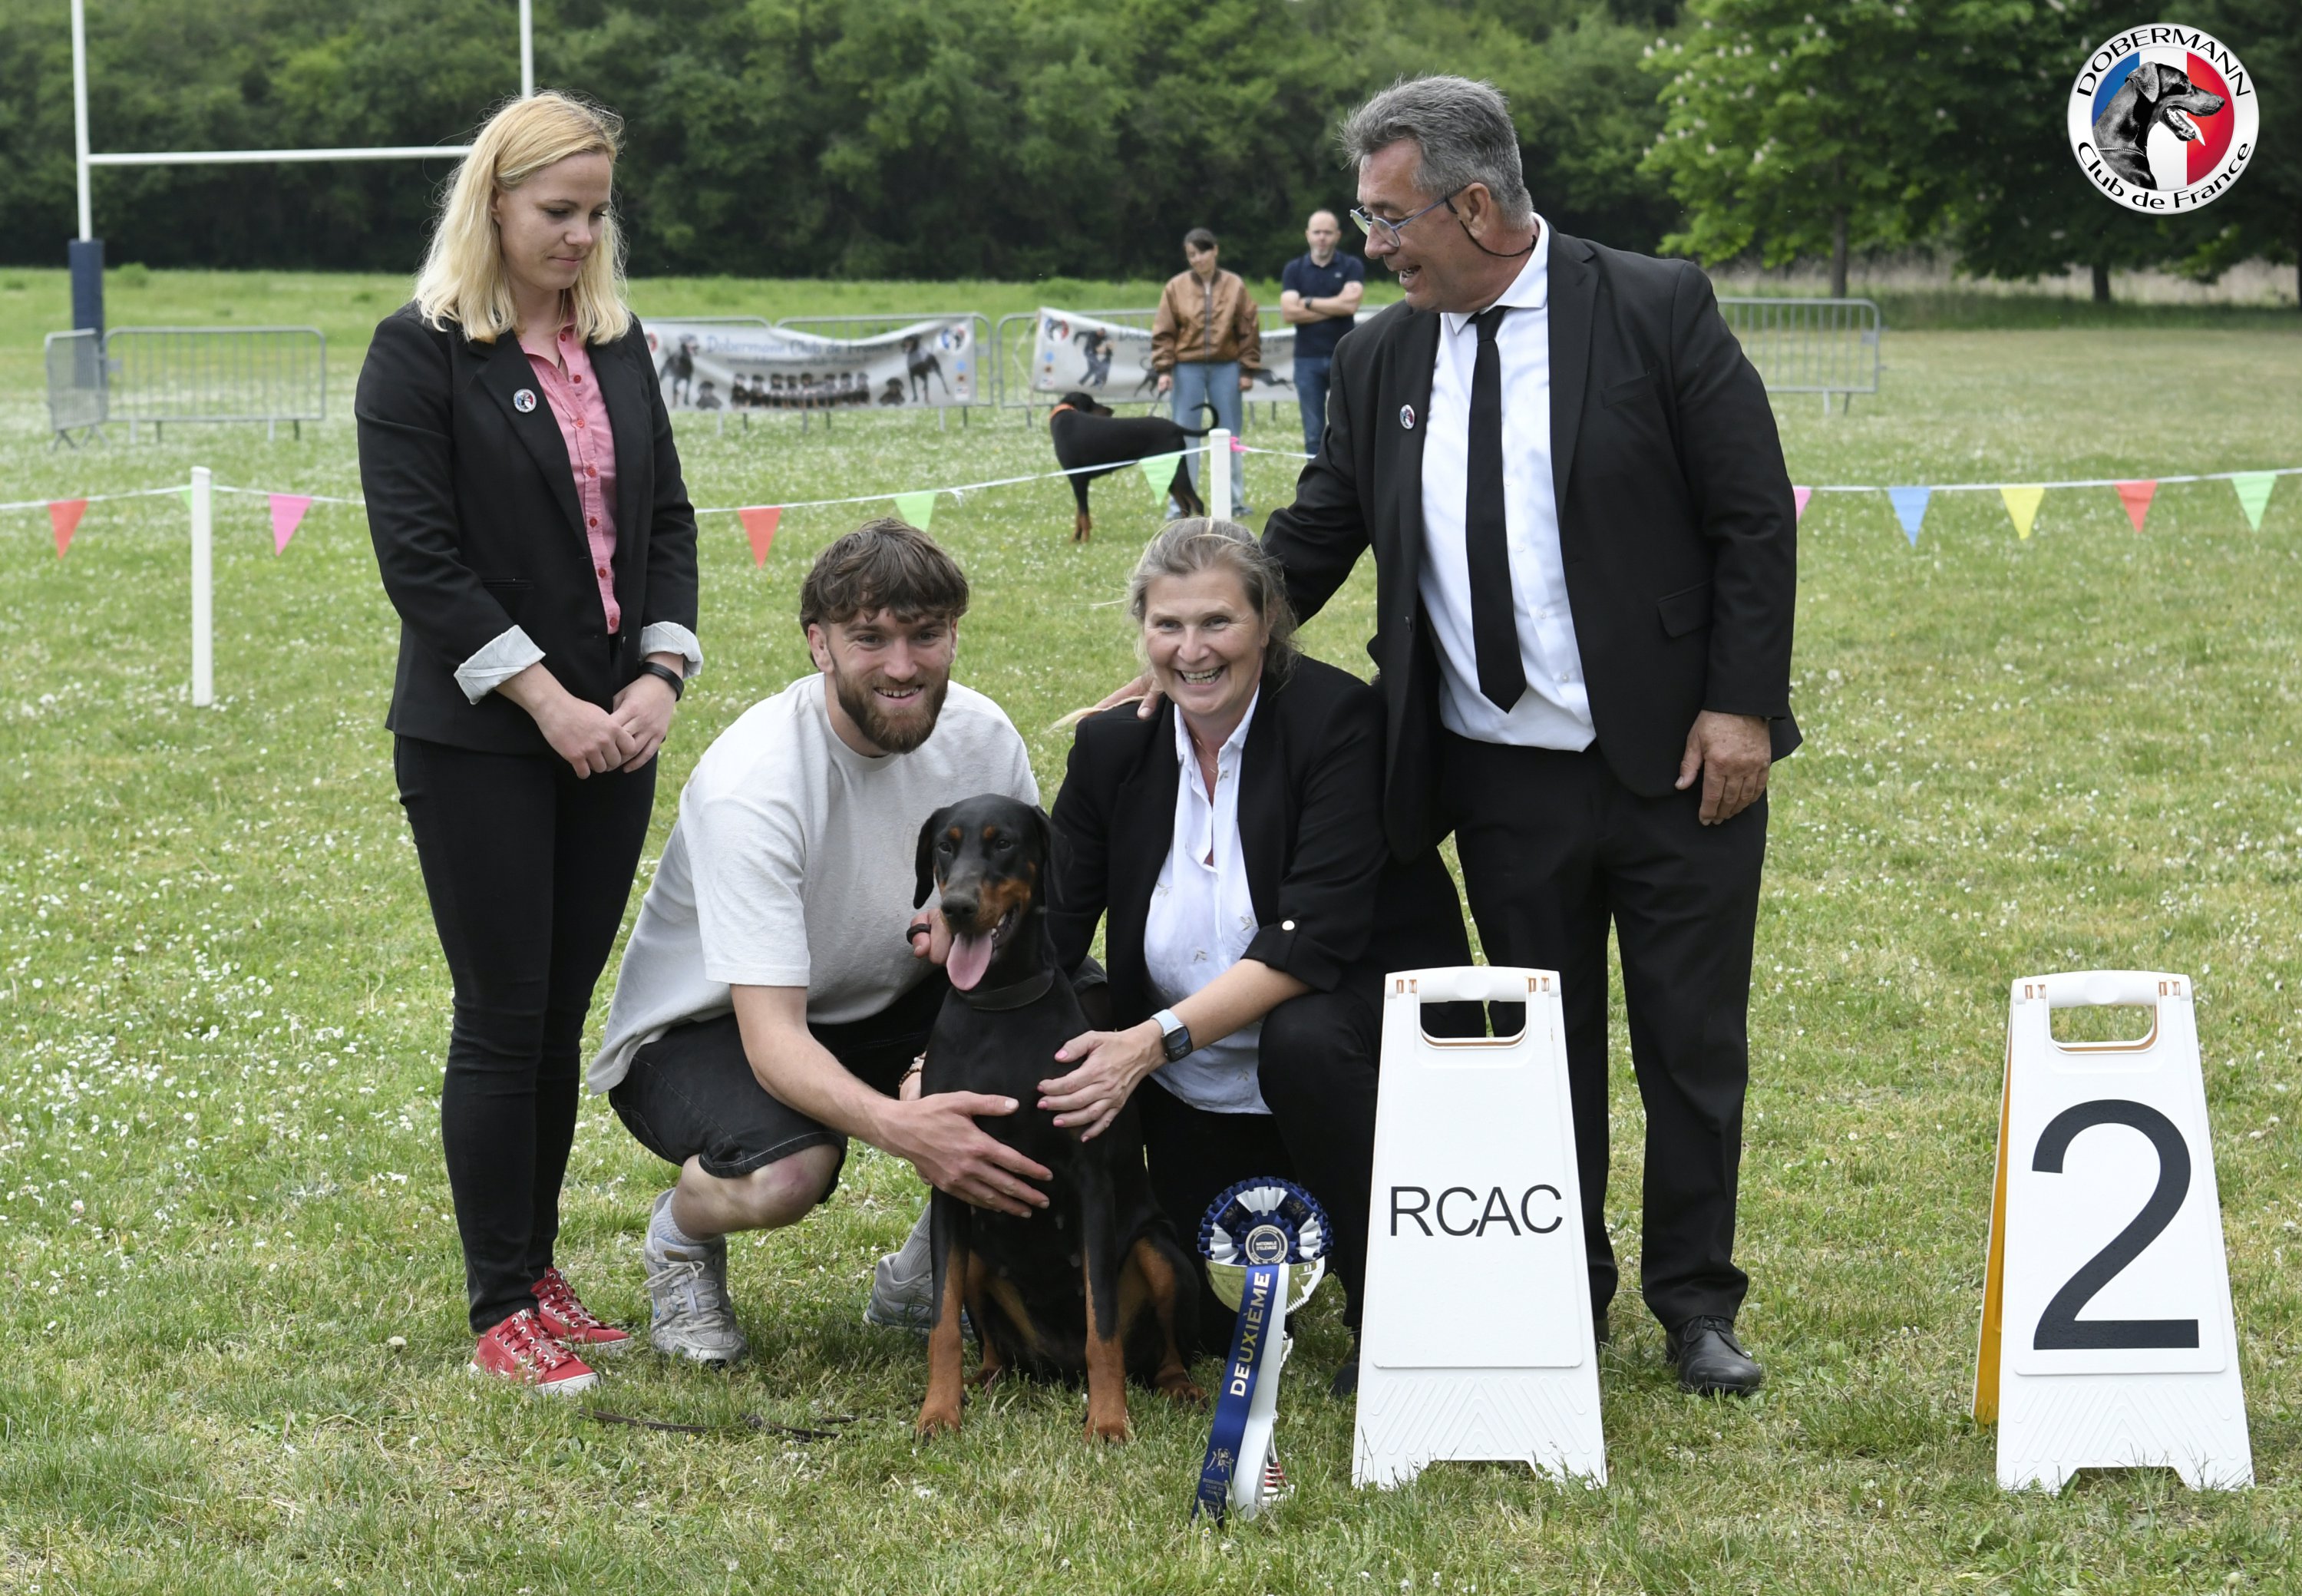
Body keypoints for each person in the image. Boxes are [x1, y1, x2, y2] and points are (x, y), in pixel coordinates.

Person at [1256, 75, 1802, 1396]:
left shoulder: (1655, 304)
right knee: (1541, 1051)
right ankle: (1567, 1283)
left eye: (1390, 219)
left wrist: (1739, 705)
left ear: (1475, 205)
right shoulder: (1381, 357)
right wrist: (1202, 642)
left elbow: (1750, 516)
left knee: (1689, 1043)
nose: (1373, 245)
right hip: (1498, 777)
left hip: (1680, 761)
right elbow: (1317, 531)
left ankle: (1695, 1301)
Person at [355, 90, 700, 1393]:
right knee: (503, 1018)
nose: (581, 235)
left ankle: (540, 1267)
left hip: (618, 731)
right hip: (484, 742)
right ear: (492, 203)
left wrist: (660, 674)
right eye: (559, 210)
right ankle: (500, 1302)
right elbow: (423, 563)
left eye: (597, 212)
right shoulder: (418, 352)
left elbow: (666, 521)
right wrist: (549, 700)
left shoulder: (617, 343)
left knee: (558, 1017)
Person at [589, 520, 1054, 1366]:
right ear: (819, 644)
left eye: (926, 634)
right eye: (869, 638)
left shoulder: (984, 736)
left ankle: (930, 1269)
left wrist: (938, 1048)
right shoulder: (754, 781)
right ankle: (681, 1237)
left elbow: (1022, 924)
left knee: (1072, 1036)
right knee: (789, 1173)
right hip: (711, 1028)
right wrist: (906, 1124)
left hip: (887, 997)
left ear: (955, 633)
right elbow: (774, 1040)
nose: (903, 665)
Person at [1043, 520, 1472, 1396]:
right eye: (1168, 626)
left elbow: (1309, 944)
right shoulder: (1111, 746)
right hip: (1193, 1083)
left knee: (1302, 1036)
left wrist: (1147, 1042)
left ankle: (1393, 1306)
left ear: (1268, 620)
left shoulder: (1336, 721)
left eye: (1217, 622)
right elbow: (1053, 928)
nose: (1192, 650)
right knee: (1205, 1329)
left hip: (1343, 1047)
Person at [1152, 228, 1262, 517]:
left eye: (1202, 252)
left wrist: (1247, 368)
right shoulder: (1175, 287)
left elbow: (1248, 328)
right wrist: (1164, 368)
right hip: (1186, 368)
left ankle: (1234, 501)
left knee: (1229, 435)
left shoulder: (1235, 285)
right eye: (1191, 254)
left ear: (1215, 250)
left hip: (1227, 367)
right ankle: (1180, 504)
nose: (1197, 259)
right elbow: (1164, 331)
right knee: (1182, 436)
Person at [1279, 210, 1367, 458]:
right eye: (1317, 232)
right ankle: (1316, 480)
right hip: (1306, 360)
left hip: (1345, 357)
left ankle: (1349, 477)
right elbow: (1289, 313)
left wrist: (1307, 302)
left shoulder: (1352, 266)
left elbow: (1349, 307)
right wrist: (1334, 306)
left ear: (1337, 235)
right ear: (1308, 235)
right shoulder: (1294, 269)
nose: (1322, 238)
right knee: (1313, 434)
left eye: (1327, 232)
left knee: (1349, 427)